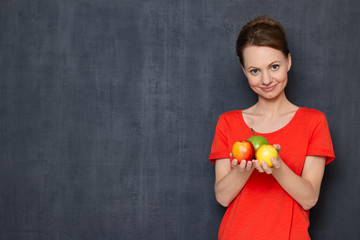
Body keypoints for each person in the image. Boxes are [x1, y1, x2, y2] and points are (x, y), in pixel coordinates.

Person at [209, 16, 335, 240]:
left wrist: (276, 166)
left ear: (288, 62)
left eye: (274, 66)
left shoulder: (313, 121)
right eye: (255, 71)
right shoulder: (228, 122)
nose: (266, 79)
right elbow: (222, 197)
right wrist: (243, 169)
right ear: (244, 70)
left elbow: (309, 198)